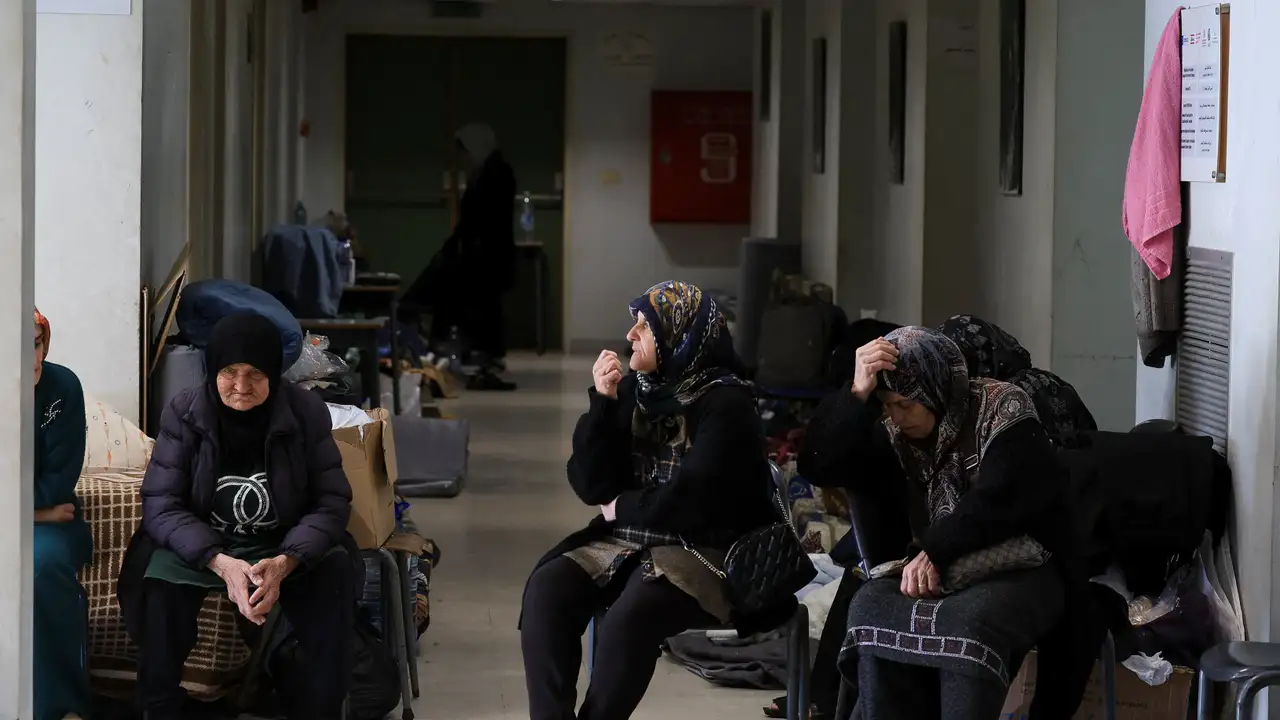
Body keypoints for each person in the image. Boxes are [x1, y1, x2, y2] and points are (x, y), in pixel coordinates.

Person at [520, 281, 778, 720]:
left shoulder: (727, 403)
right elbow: (590, 486)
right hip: (628, 542)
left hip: (704, 548)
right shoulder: (635, 391)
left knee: (631, 616)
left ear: (680, 336)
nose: (630, 335)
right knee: (547, 591)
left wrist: (621, 507)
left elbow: (693, 501)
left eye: (645, 326)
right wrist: (603, 405)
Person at [804, 327, 1074, 720]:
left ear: (935, 391)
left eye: (906, 404)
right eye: (888, 405)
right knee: (868, 605)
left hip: (1019, 566)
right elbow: (819, 465)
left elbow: (1004, 497)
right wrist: (856, 393)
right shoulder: (894, 432)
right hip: (935, 566)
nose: (897, 416)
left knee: (968, 622)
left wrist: (934, 550)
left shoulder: (1002, 407)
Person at [117, 313, 355, 720]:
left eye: (255, 374)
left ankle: (318, 708)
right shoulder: (185, 411)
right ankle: (159, 709)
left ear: (274, 374)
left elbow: (332, 500)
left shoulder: (305, 412)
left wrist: (286, 562)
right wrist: (220, 563)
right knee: (157, 589)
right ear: (213, 370)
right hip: (205, 543)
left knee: (334, 576)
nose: (241, 386)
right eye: (229, 372)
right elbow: (161, 503)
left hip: (283, 543)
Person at [402, 122, 517, 390]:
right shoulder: (485, 172)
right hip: (478, 255)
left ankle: (479, 362)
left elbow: (483, 221)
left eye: (465, 151)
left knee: (480, 310)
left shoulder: (495, 175)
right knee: (475, 308)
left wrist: (458, 249)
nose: (464, 158)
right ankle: (471, 360)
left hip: (485, 258)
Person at [32, 307, 93, 720]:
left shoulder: (62, 387)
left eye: (35, 345)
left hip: (54, 527)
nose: (31, 359)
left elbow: (58, 480)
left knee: (43, 565)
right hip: (41, 516)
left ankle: (62, 708)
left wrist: (42, 516)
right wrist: (39, 514)